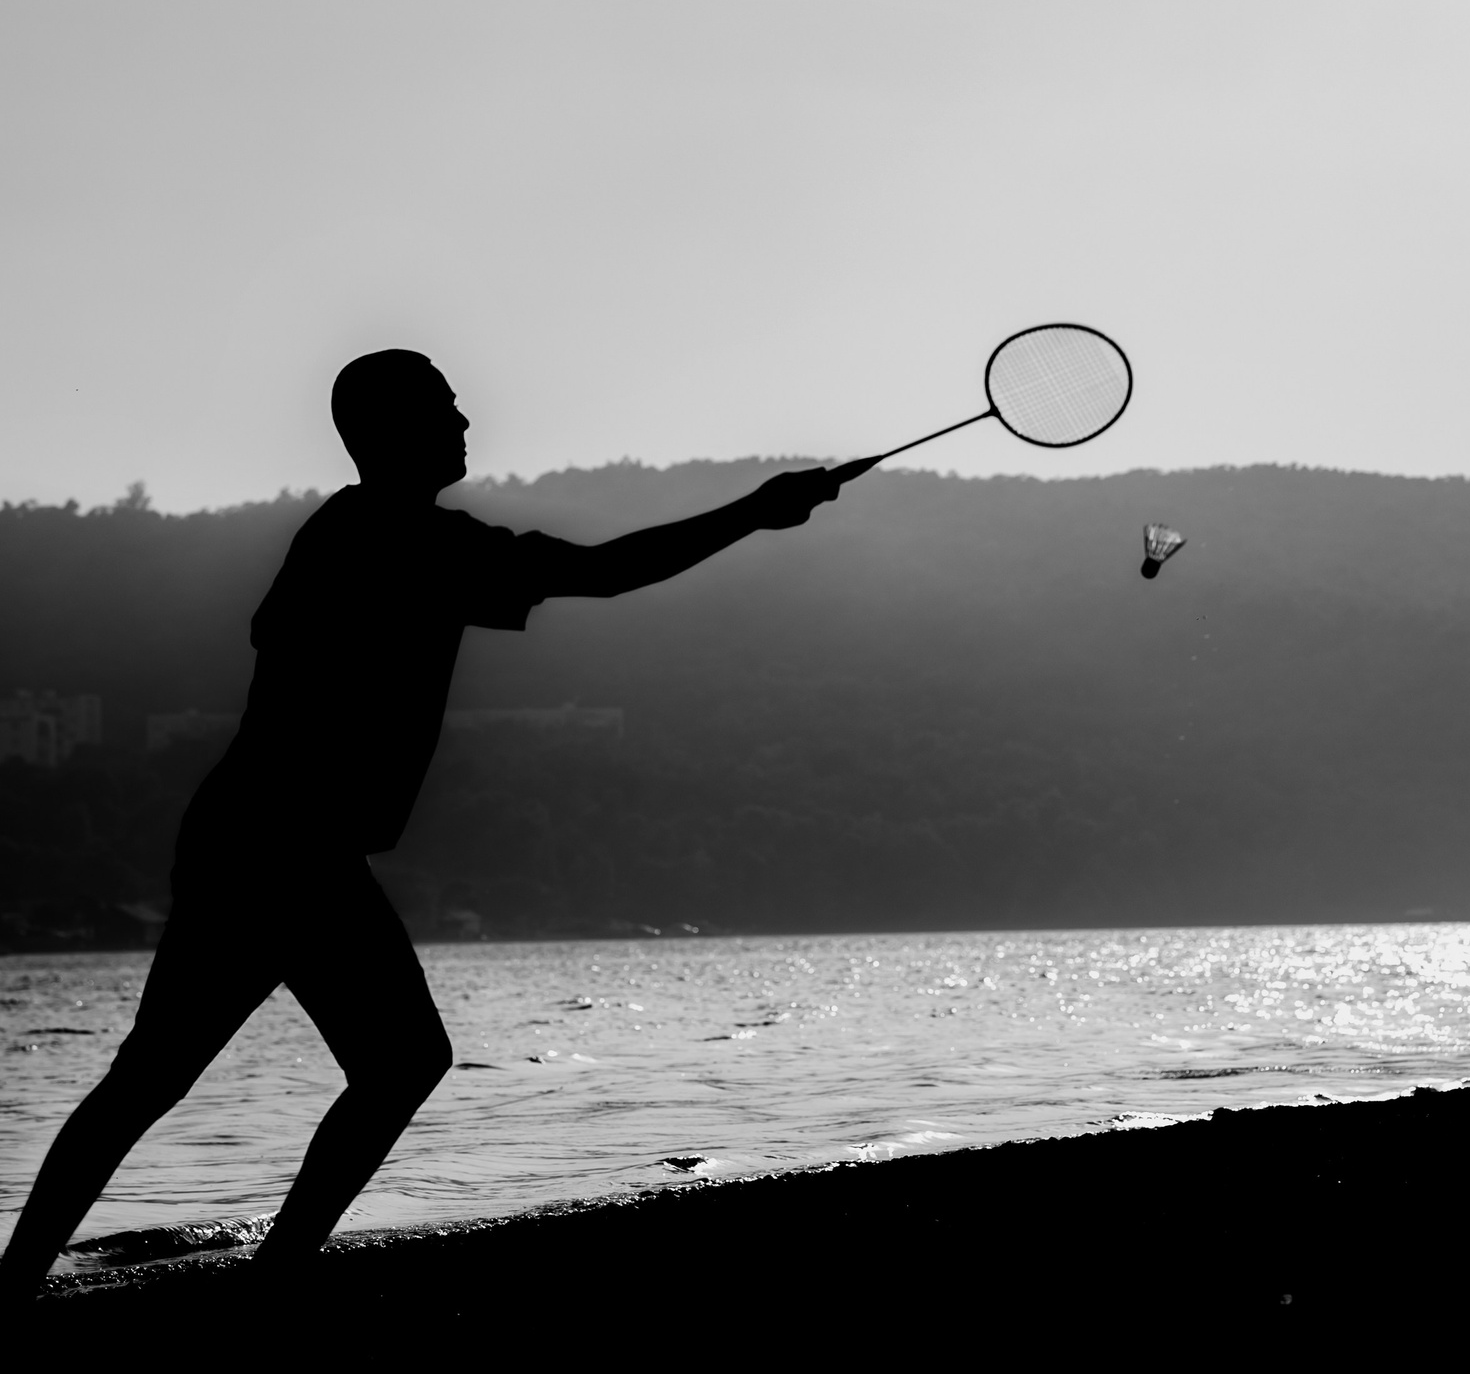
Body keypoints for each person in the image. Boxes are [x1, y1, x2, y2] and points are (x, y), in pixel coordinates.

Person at [0, 350, 850, 1301]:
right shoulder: (415, 542)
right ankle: (264, 1277)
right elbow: (605, 573)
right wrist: (753, 511)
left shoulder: (344, 528)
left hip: (250, 833)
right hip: (288, 843)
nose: (464, 423)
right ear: (393, 430)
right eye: (444, 408)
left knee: (167, 1077)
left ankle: (32, 1279)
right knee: (388, 1062)